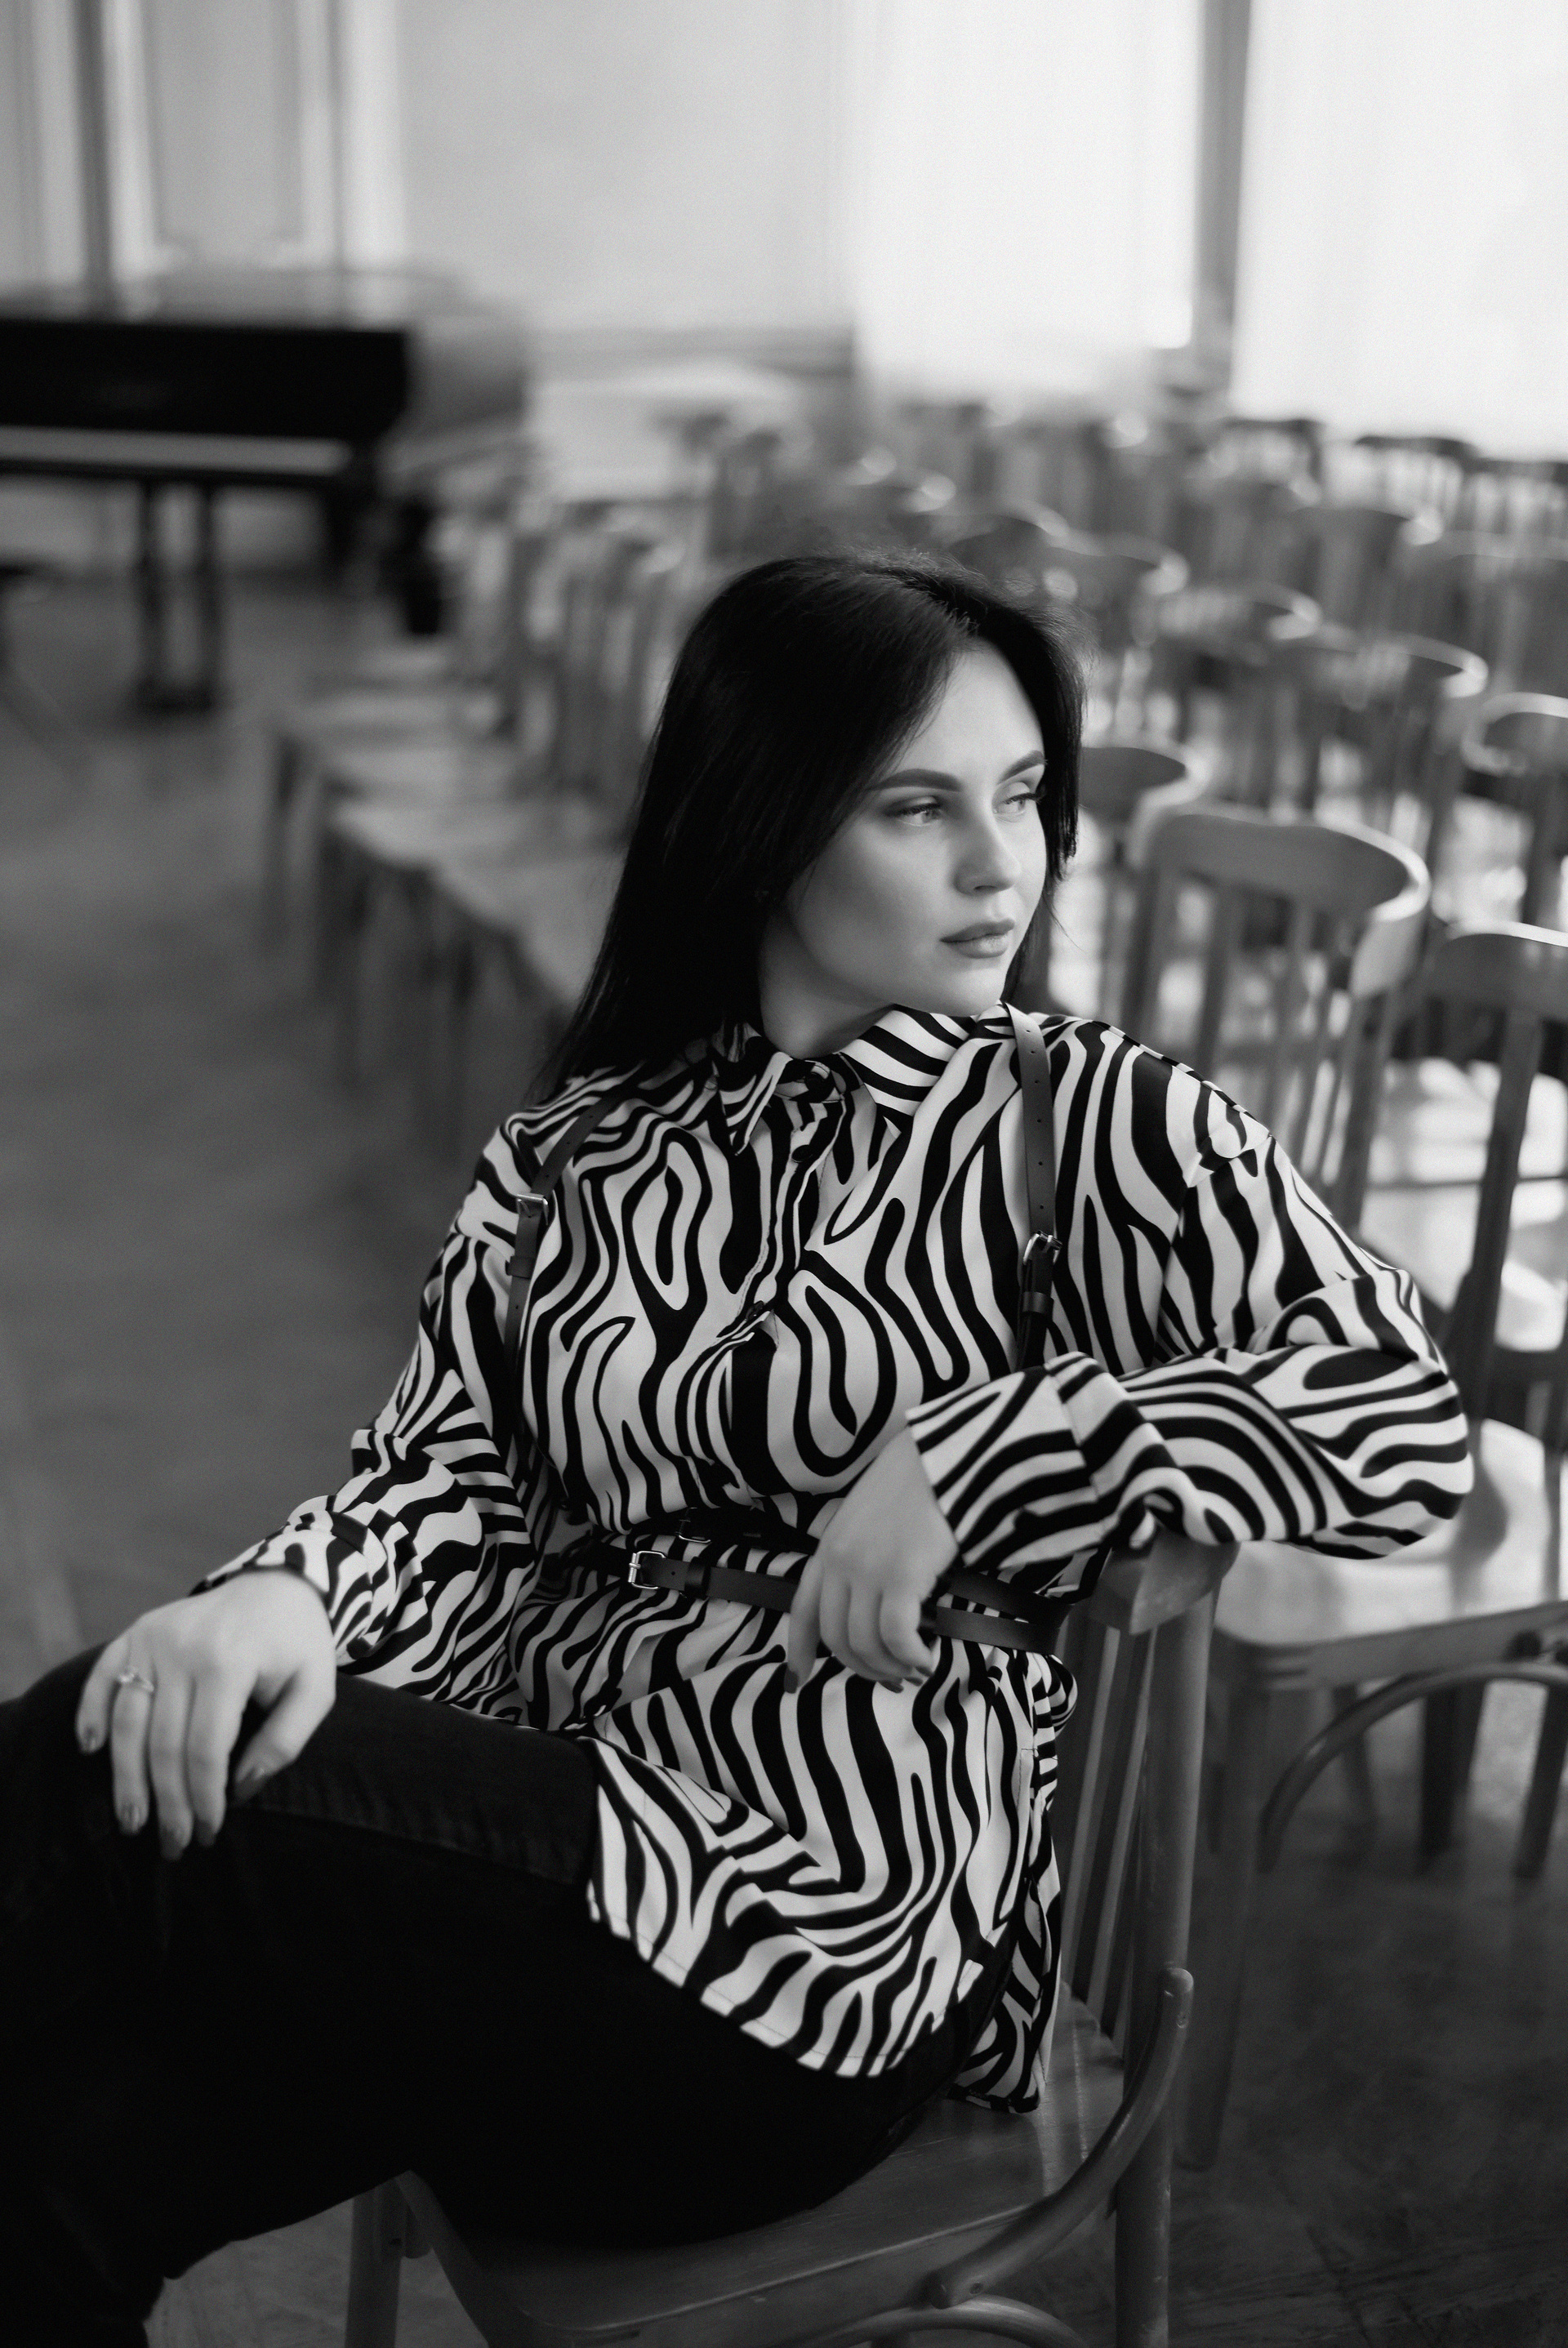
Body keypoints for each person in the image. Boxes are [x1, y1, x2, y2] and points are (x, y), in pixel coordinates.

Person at [2, 553, 1470, 2345]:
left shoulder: (1086, 1121)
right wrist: (287, 1597)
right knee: (46, 2175)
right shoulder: (579, 1151)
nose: (1004, 864)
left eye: (1023, 797)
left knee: (95, 1766)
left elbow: (1402, 1417)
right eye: (919, 808)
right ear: (760, 821)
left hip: (802, 1963)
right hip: (533, 1874)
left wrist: (977, 1456)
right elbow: (449, 1479)